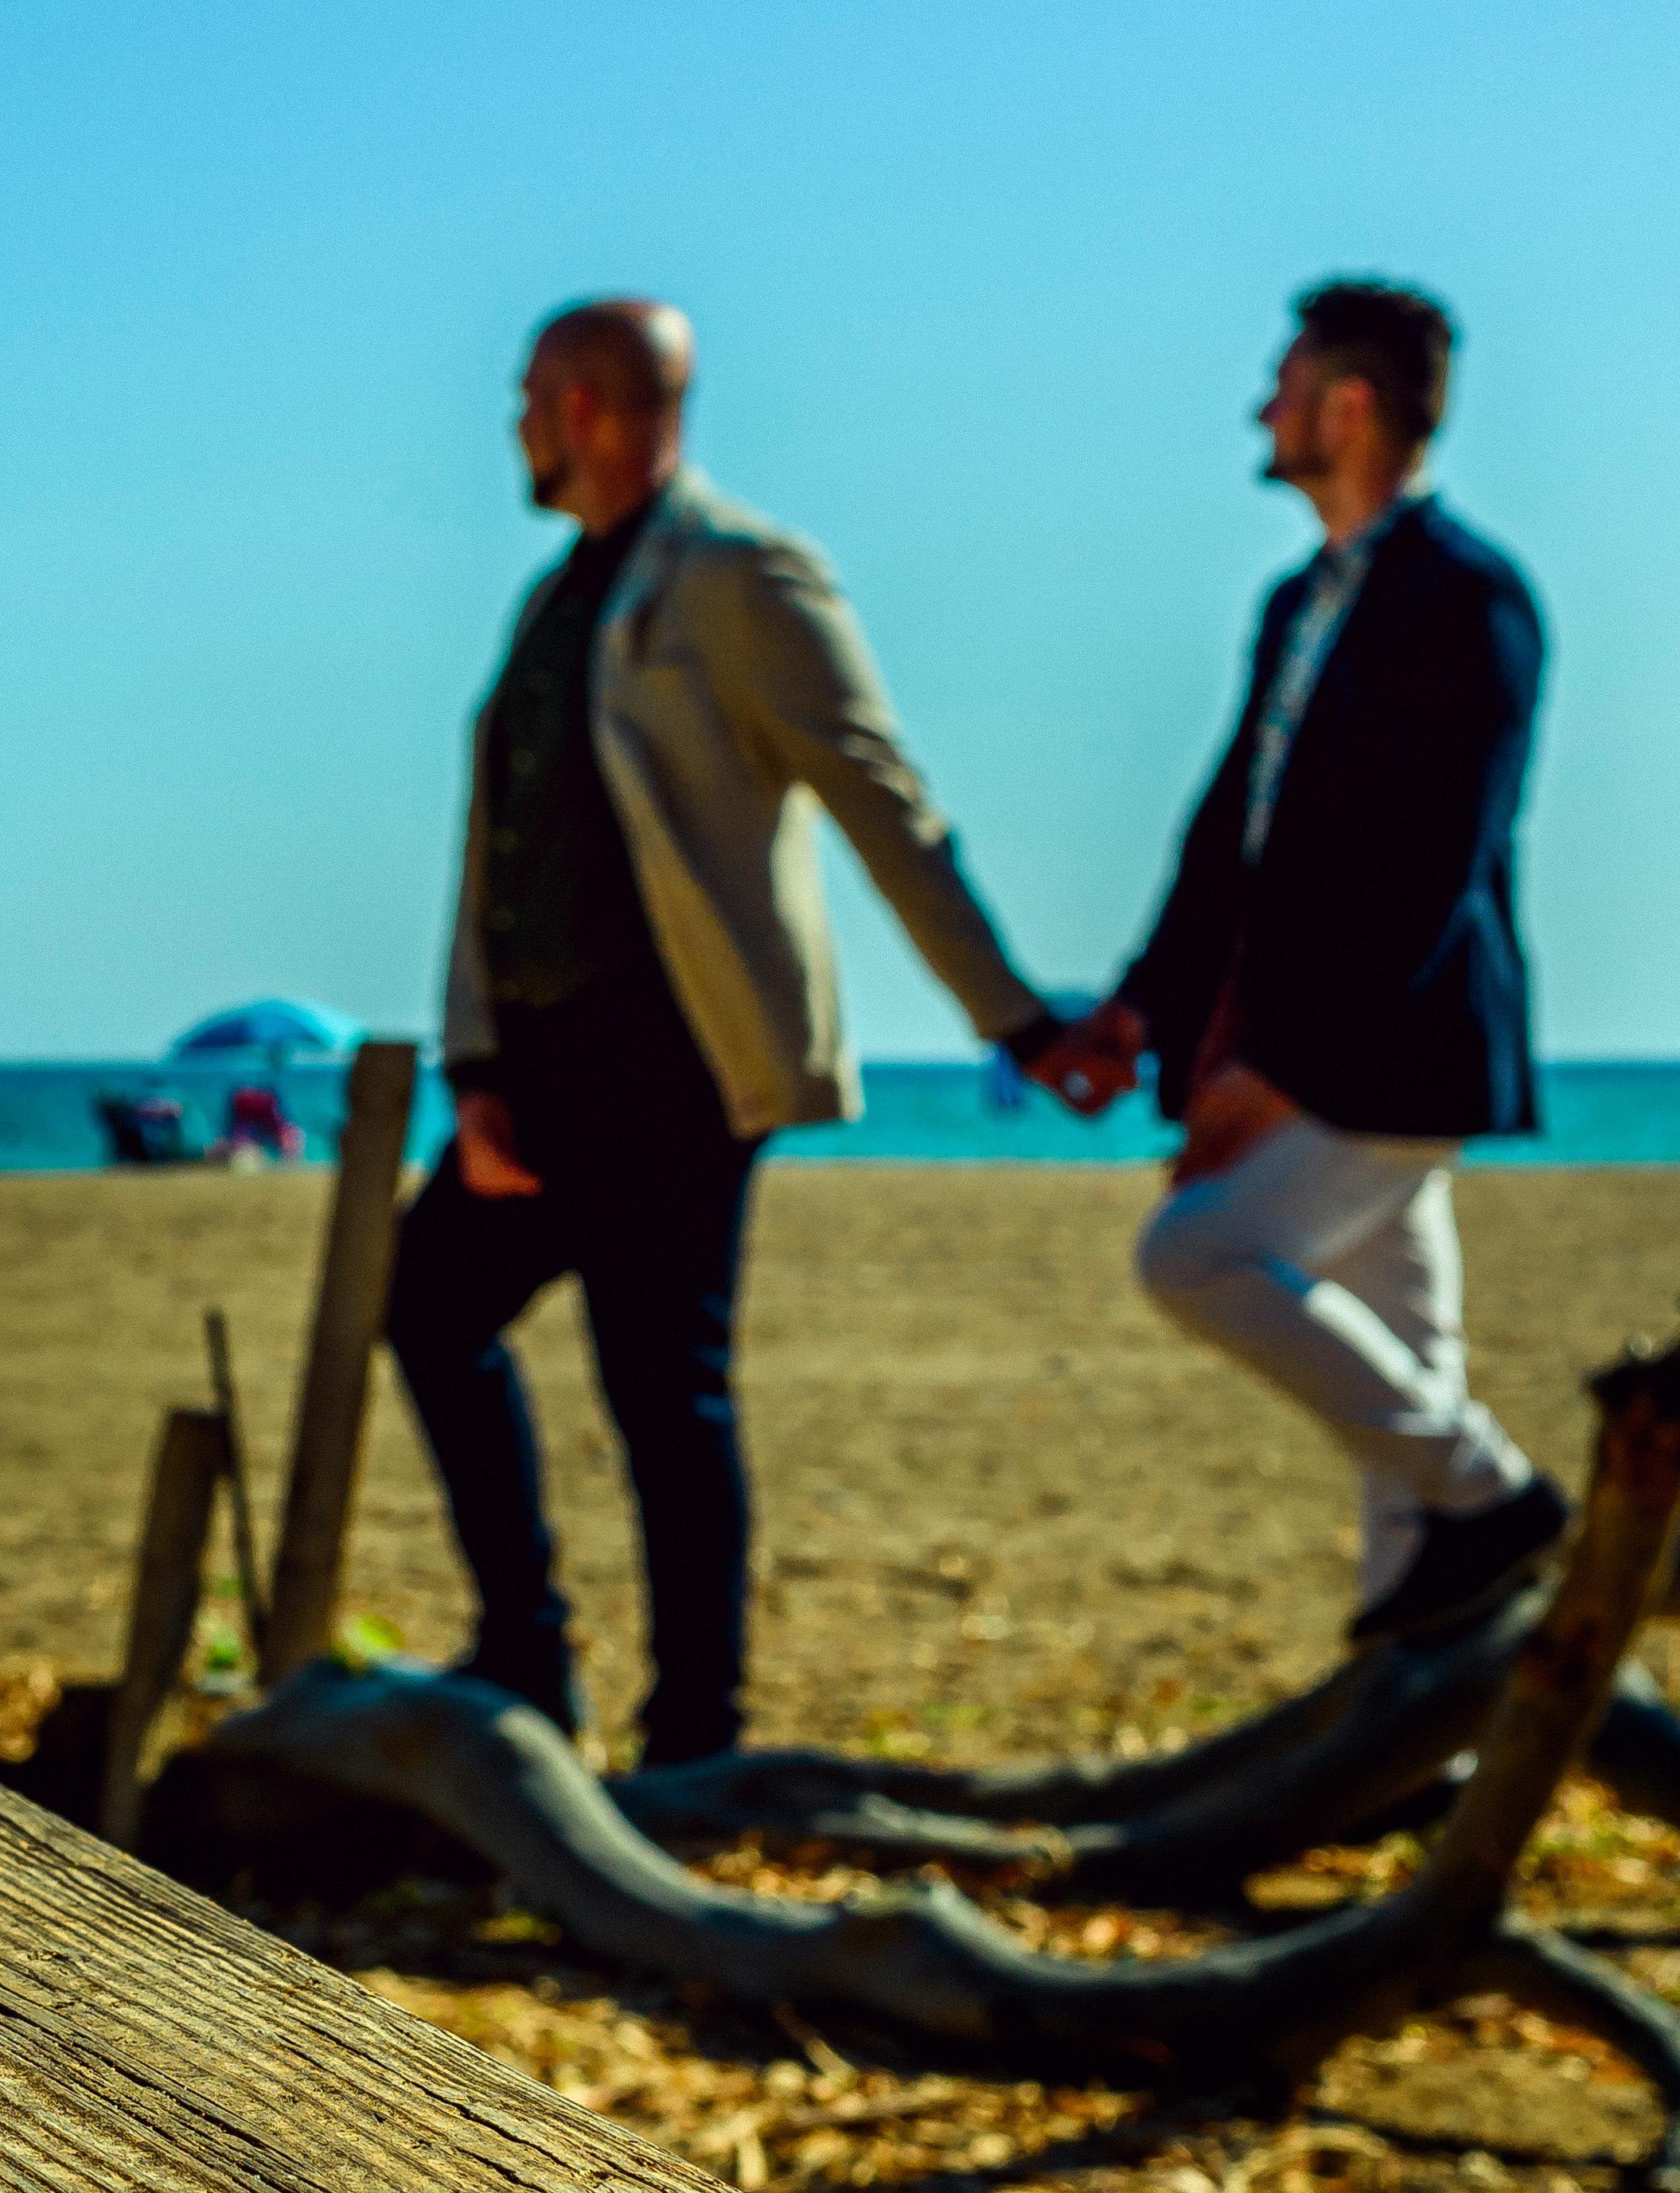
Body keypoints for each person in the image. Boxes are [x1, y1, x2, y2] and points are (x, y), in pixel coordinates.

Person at [387, 300, 1082, 1768]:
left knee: (663, 1389)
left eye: (526, 396)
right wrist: (479, 1067)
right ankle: (528, 1653)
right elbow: (498, 845)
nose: (511, 422)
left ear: (585, 407)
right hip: (543, 1072)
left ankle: (695, 1735)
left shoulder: (738, 576)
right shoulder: (550, 600)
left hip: (678, 1063)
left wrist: (1009, 1014)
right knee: (430, 1306)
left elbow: (876, 791)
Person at [1033, 282, 1560, 1641]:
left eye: (1283, 383)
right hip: (1318, 1047)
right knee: (1408, 1352)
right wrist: (1143, 1011)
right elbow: (1234, 840)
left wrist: (1281, 1074)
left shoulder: (1473, 599)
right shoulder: (1296, 605)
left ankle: (1498, 1498)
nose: (1261, 408)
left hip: (1404, 1049)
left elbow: (1434, 865)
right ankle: (1417, 1715)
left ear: (1350, 405)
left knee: (1196, 1252)